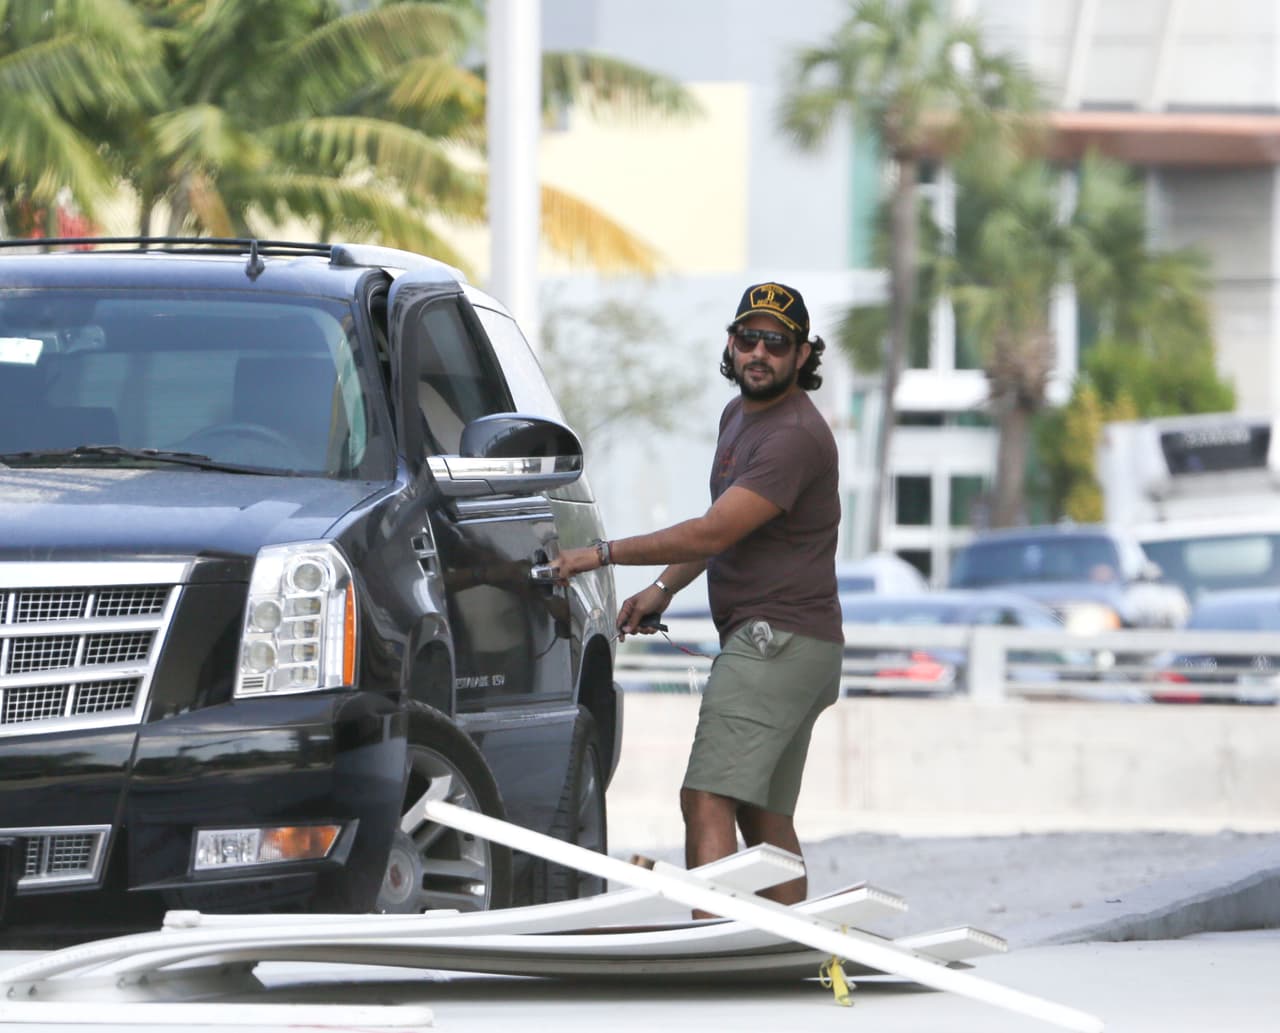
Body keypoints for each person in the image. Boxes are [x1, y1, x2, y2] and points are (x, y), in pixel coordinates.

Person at [552, 281, 843, 909]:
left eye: (776, 342)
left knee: (706, 795)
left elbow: (714, 529)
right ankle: (790, 944)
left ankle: (710, 939)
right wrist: (661, 587)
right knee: (763, 817)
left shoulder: (793, 435)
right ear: (731, 345)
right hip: (797, 644)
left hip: (776, 642)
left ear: (802, 356)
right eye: (748, 338)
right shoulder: (740, 416)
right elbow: (726, 528)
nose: (758, 353)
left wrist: (598, 554)